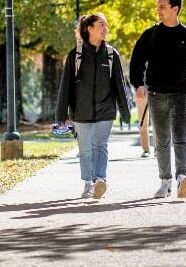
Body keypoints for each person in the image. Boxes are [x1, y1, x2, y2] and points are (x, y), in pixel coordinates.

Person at [130, 0, 186, 199]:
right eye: (157, 7)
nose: (158, 10)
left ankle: (181, 178)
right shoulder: (151, 34)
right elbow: (137, 59)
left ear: (175, 9)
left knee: (180, 138)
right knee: (163, 140)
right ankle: (165, 181)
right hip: (157, 95)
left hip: (182, 95)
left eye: (162, 7)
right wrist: (138, 83)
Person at [56, 13, 131, 200]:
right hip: (81, 111)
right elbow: (65, 87)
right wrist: (61, 115)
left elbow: (119, 86)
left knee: (100, 146)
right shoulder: (75, 55)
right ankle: (88, 183)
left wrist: (125, 111)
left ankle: (100, 180)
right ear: (89, 28)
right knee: (85, 149)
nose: (106, 29)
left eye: (106, 25)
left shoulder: (112, 55)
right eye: (101, 25)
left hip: (105, 110)